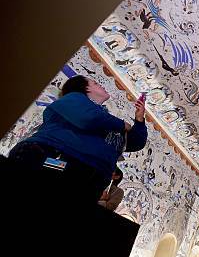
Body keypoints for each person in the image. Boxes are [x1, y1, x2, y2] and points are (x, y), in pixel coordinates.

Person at [8, 75, 147, 204]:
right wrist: (122, 124)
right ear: (84, 88)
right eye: (96, 83)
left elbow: (135, 143)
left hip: (89, 176)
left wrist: (139, 121)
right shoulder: (72, 98)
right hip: (55, 161)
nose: (102, 86)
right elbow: (87, 118)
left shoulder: (105, 120)